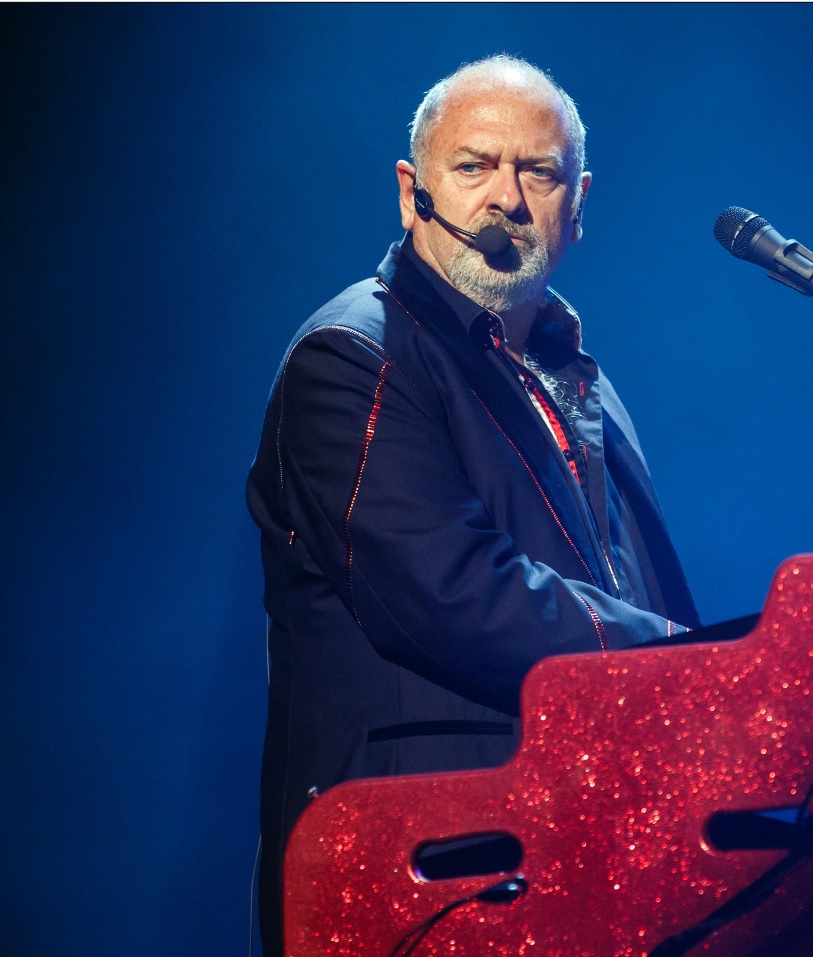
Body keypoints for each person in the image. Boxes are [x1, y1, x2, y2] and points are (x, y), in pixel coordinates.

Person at [245, 55, 699, 955]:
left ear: (578, 205)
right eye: (474, 165)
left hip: (576, 862)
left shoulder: (583, 383)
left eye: (539, 173)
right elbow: (450, 592)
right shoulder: (352, 355)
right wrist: (691, 664)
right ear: (410, 192)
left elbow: (634, 591)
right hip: (423, 876)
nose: (506, 198)